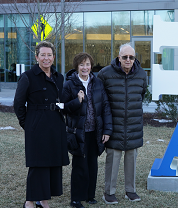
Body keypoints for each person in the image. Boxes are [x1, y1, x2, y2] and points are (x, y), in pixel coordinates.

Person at [13, 41, 70, 208]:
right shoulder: (28, 76)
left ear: (53, 57)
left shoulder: (59, 77)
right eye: (43, 55)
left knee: (52, 164)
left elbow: (62, 101)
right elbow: (18, 104)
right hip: (36, 127)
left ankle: (43, 200)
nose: (46, 58)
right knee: (38, 165)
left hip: (55, 125)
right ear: (37, 57)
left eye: (49, 55)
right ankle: (30, 201)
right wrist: (29, 124)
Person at [97, 43, 148, 204]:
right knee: (113, 159)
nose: (128, 60)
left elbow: (142, 94)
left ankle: (130, 190)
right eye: (124, 57)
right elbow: (99, 99)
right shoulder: (105, 74)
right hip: (113, 124)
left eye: (131, 57)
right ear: (118, 57)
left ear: (134, 58)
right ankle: (109, 193)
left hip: (133, 124)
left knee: (131, 159)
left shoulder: (141, 74)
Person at [62, 52, 113, 208]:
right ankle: (76, 199)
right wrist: (77, 101)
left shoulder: (97, 83)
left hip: (95, 131)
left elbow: (105, 107)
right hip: (78, 132)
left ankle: (90, 195)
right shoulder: (69, 84)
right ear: (77, 66)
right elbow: (63, 107)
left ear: (91, 66)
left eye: (88, 64)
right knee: (79, 165)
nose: (85, 67)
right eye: (82, 64)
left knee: (92, 164)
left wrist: (107, 130)